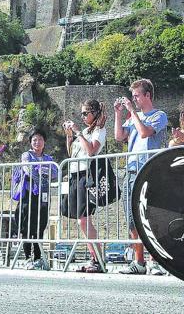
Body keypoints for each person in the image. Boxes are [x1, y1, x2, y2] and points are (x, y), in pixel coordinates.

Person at [114, 79, 168, 275]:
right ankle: (138, 262)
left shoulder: (159, 115)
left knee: (150, 216)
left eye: (137, 95)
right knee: (131, 218)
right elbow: (119, 136)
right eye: (133, 96)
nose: (134, 99)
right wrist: (119, 114)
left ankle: (155, 261)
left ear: (147, 95)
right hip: (131, 170)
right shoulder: (132, 117)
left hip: (150, 169)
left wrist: (132, 112)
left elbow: (145, 133)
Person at [63, 99, 107, 273]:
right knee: (82, 221)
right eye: (81, 113)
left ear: (94, 113)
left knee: (84, 219)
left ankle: (97, 259)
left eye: (85, 113)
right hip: (75, 174)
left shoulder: (99, 130)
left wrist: (77, 132)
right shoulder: (84, 132)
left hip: (86, 175)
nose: (82, 116)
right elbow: (71, 152)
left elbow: (91, 151)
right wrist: (69, 135)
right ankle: (94, 257)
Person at [13, 129, 58, 270]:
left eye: (40, 139)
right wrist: (41, 177)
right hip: (28, 194)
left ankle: (38, 257)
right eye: (34, 140)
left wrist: (42, 175)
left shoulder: (48, 158)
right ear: (31, 142)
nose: (37, 142)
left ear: (44, 142)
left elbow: (55, 172)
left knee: (40, 226)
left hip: (43, 196)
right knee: (26, 226)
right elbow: (28, 170)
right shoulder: (27, 155)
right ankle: (27, 258)